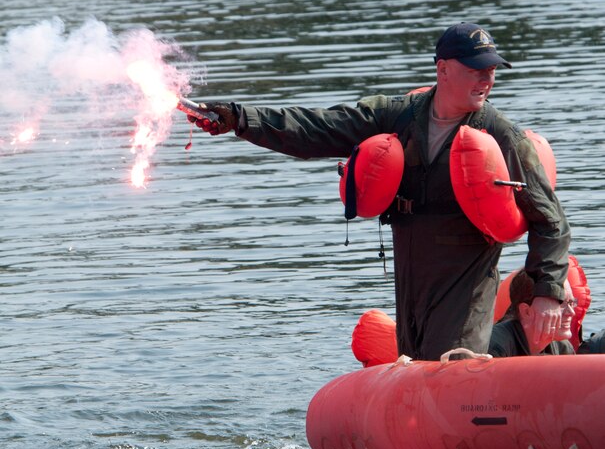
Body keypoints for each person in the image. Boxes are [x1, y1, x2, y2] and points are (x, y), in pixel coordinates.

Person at [187, 22, 571, 361]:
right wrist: (240, 119)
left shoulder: (501, 135)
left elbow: (550, 220)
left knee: (451, 366)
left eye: (491, 71)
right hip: (410, 267)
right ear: (443, 70)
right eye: (475, 70)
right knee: (415, 365)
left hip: (466, 274)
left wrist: (547, 292)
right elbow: (316, 128)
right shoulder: (397, 115)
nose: (486, 80)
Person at [489, 270, 576, 356]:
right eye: (560, 304)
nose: (571, 313)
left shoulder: (563, 348)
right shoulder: (494, 348)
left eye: (571, 303)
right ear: (526, 311)